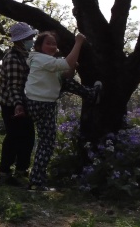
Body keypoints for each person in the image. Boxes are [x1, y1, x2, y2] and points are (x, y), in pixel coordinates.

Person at [25, 31, 102, 191]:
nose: (53, 46)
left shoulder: (45, 61)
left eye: (54, 43)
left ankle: (90, 94)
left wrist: (72, 67)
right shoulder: (40, 58)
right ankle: (36, 181)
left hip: (38, 101)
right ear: (39, 46)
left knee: (44, 142)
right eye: (48, 43)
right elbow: (66, 65)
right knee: (46, 143)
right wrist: (79, 41)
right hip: (43, 103)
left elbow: (66, 74)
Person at [0, 22, 37, 187]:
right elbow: (14, 86)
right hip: (12, 104)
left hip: (24, 102)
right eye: (29, 37)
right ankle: (5, 173)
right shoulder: (13, 58)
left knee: (27, 137)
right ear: (21, 40)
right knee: (14, 137)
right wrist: (18, 105)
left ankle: (21, 170)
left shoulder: (26, 55)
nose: (32, 40)